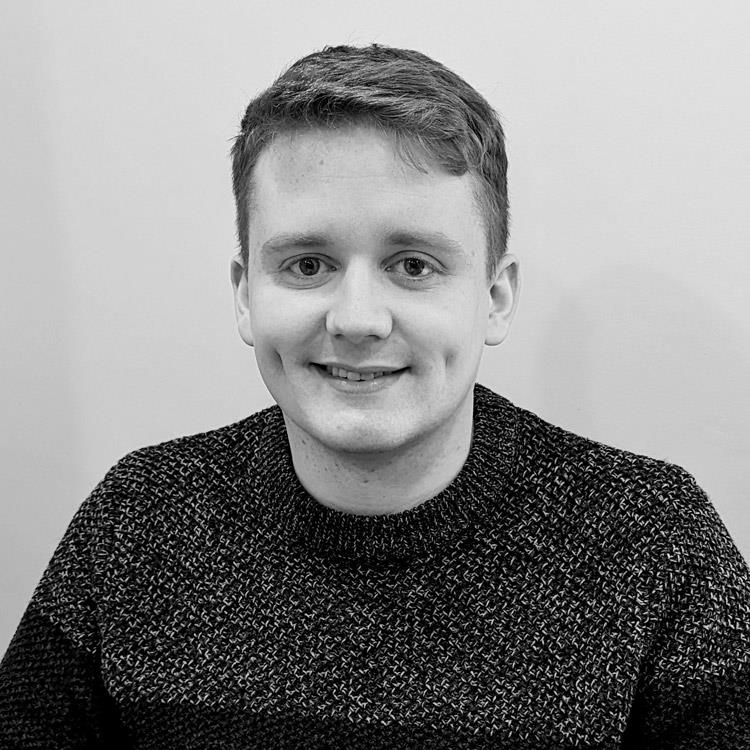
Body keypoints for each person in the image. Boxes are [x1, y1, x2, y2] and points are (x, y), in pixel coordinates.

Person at [1, 43, 748, 749]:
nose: (357, 319)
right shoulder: (139, 522)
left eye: (414, 265)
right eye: (307, 264)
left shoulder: (654, 544)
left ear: (494, 298)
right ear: (246, 295)